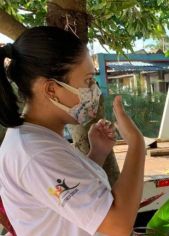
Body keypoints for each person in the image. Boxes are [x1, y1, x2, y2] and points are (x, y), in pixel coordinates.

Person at [0, 26, 146, 236]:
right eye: (87, 81)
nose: (94, 90)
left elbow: (60, 197)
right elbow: (118, 225)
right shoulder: (36, 152)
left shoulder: (38, 140)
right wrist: (137, 144)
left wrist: (96, 154)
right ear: (51, 89)